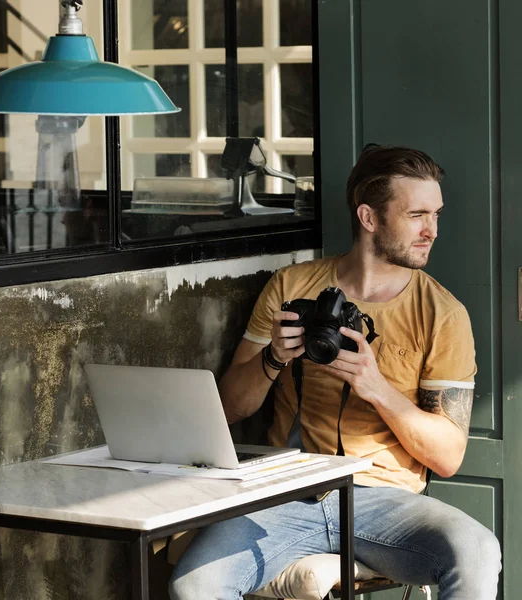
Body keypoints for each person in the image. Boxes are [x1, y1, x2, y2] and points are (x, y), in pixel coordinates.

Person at [169, 144, 502, 600]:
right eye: (417, 215)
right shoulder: (292, 286)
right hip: (286, 491)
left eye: (436, 214)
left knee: (478, 550)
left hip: (384, 501)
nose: (432, 231)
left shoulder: (443, 314)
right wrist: (274, 360)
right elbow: (226, 409)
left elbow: (447, 456)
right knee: (195, 583)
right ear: (369, 218)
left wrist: (377, 387)